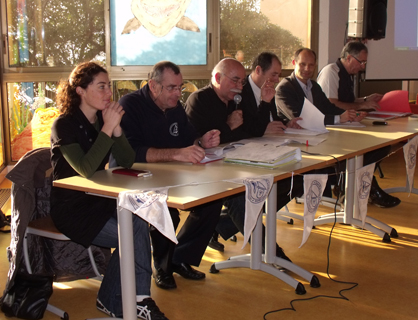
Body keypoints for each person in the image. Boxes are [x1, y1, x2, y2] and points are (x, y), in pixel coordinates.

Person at [50, 62, 169, 319]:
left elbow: (126, 161)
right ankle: (133, 299)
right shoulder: (63, 125)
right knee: (131, 235)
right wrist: (107, 128)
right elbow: (85, 168)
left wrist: (115, 130)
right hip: (73, 210)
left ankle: (126, 298)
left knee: (138, 221)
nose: (108, 93)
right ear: (80, 90)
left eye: (109, 86)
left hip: (101, 202)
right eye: (101, 86)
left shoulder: (102, 121)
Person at [119, 61, 223, 291]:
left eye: (180, 87)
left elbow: (189, 138)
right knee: (167, 214)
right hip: (135, 177)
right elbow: (132, 153)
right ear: (153, 86)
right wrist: (177, 154)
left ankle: (181, 257)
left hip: (171, 174)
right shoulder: (130, 105)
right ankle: (163, 268)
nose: (178, 93)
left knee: (211, 202)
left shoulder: (175, 106)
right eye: (171, 88)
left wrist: (201, 142)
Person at [185, 57, 301, 261]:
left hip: (235, 162)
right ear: (218, 77)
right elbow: (206, 141)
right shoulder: (199, 100)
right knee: (243, 195)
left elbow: (253, 130)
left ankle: (223, 225)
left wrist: (265, 103)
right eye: (235, 81)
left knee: (290, 180)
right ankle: (271, 252)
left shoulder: (235, 100)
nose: (240, 87)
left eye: (241, 83)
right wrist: (229, 127)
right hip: (205, 169)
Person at [276, 48, 400, 208]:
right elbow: (301, 119)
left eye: (311, 65)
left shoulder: (313, 86)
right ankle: (352, 187)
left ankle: (351, 186)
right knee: (350, 153)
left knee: (377, 148)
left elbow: (328, 107)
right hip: (300, 143)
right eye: (303, 64)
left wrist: (350, 114)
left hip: (319, 136)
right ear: (294, 63)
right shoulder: (285, 87)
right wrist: (339, 118)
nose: (307, 69)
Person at [317, 41, 383, 111]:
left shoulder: (348, 74)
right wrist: (362, 105)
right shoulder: (331, 71)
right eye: (361, 62)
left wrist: (366, 99)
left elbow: (348, 102)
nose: (363, 66)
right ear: (349, 58)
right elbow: (331, 104)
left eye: (364, 62)